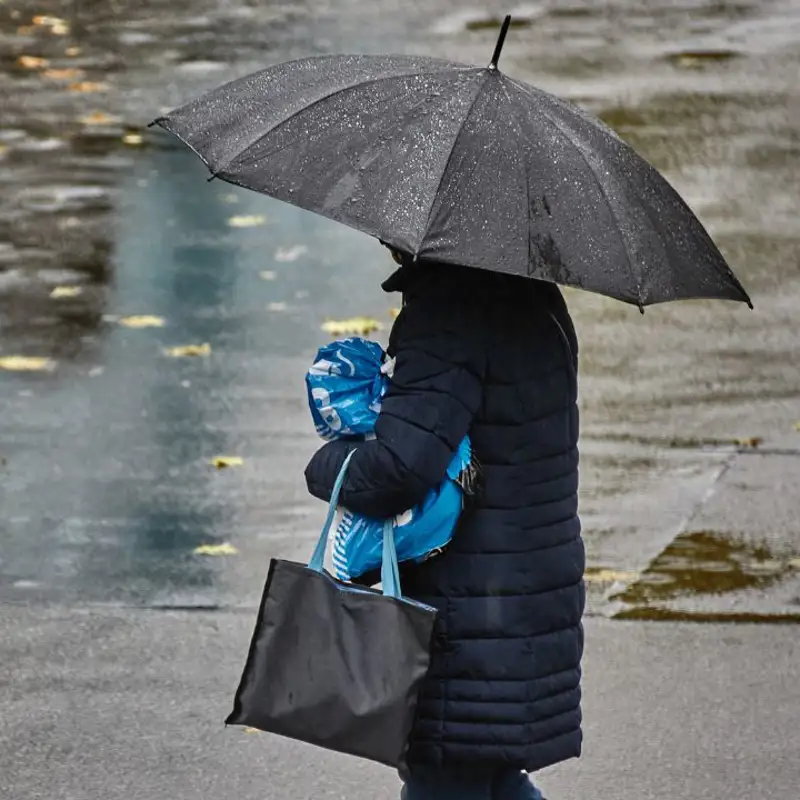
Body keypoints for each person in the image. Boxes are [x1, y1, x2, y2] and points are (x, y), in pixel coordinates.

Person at [305, 246, 584, 800]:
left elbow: (398, 470)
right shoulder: (534, 296)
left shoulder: (448, 311)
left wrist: (326, 466)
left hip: (468, 610)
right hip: (526, 591)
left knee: (448, 772)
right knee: (489, 774)